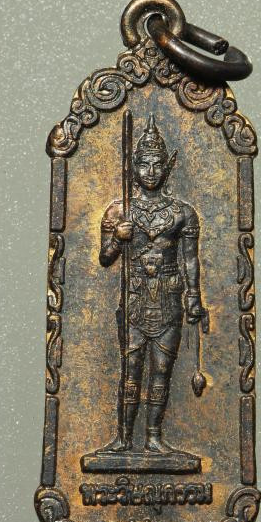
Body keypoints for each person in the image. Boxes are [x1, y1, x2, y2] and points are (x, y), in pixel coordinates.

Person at [98, 114, 205, 454]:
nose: (151, 171)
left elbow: (190, 259)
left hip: (169, 296)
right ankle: (124, 437)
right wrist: (118, 238)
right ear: (133, 168)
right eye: (144, 164)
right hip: (134, 297)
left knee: (161, 369)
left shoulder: (183, 213)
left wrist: (193, 296)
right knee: (131, 369)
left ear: (167, 168)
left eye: (157, 165)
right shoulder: (119, 211)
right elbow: (105, 258)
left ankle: (154, 437)